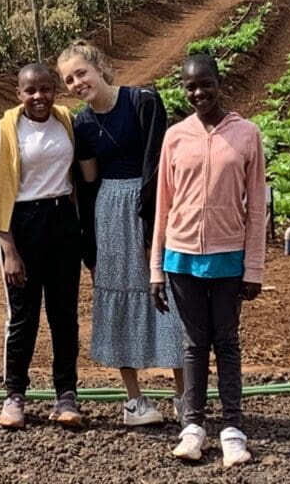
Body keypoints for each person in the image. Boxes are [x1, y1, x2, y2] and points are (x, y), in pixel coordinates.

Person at [57, 41, 185, 426]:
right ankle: (135, 401)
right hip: (110, 211)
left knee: (167, 296)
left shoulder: (143, 102)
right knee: (119, 294)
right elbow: (89, 182)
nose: (78, 83)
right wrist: (90, 243)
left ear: (99, 68)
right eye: (69, 79)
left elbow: (158, 164)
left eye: (82, 73)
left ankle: (184, 397)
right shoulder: (82, 124)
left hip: (152, 206)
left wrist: (154, 221)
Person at [149, 53, 266, 468]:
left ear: (220, 82)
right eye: (190, 86)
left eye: (205, 84)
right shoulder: (175, 136)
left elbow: (256, 208)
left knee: (227, 343)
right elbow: (163, 205)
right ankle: (193, 427)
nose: (198, 92)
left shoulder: (247, 134)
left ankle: (233, 429)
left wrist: (253, 268)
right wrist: (156, 269)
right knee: (194, 345)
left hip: (228, 258)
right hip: (181, 258)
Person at [0, 63, 83, 430]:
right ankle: (14, 395)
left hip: (62, 223)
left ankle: (66, 395)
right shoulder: (5, 130)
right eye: (30, 91)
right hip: (21, 226)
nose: (39, 97)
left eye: (45, 89)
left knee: (64, 315)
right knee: (23, 317)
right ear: (18, 94)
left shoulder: (66, 122)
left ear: (55, 90)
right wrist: (7, 246)